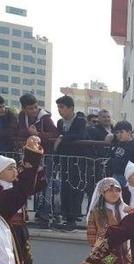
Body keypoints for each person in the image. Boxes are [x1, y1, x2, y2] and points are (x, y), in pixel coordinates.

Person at [0, 138, 45, 264]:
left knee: (26, 261)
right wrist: (31, 158)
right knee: (10, 260)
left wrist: (32, 155)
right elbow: (25, 186)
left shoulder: (17, 185)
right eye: (10, 168)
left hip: (21, 228)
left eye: (15, 167)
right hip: (5, 229)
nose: (14, 171)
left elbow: (35, 183)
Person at [53, 95, 90, 231]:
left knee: (75, 187)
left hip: (77, 161)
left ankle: (72, 217)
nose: (59, 110)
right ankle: (66, 216)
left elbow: (80, 135)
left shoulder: (79, 120)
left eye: (62, 107)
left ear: (71, 108)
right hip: (64, 159)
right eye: (58, 107)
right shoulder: (60, 123)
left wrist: (63, 138)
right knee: (65, 188)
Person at [105, 121, 134, 187]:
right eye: (117, 133)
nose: (119, 135)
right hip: (116, 175)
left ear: (129, 132)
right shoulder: (118, 144)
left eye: (122, 132)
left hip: (127, 178)